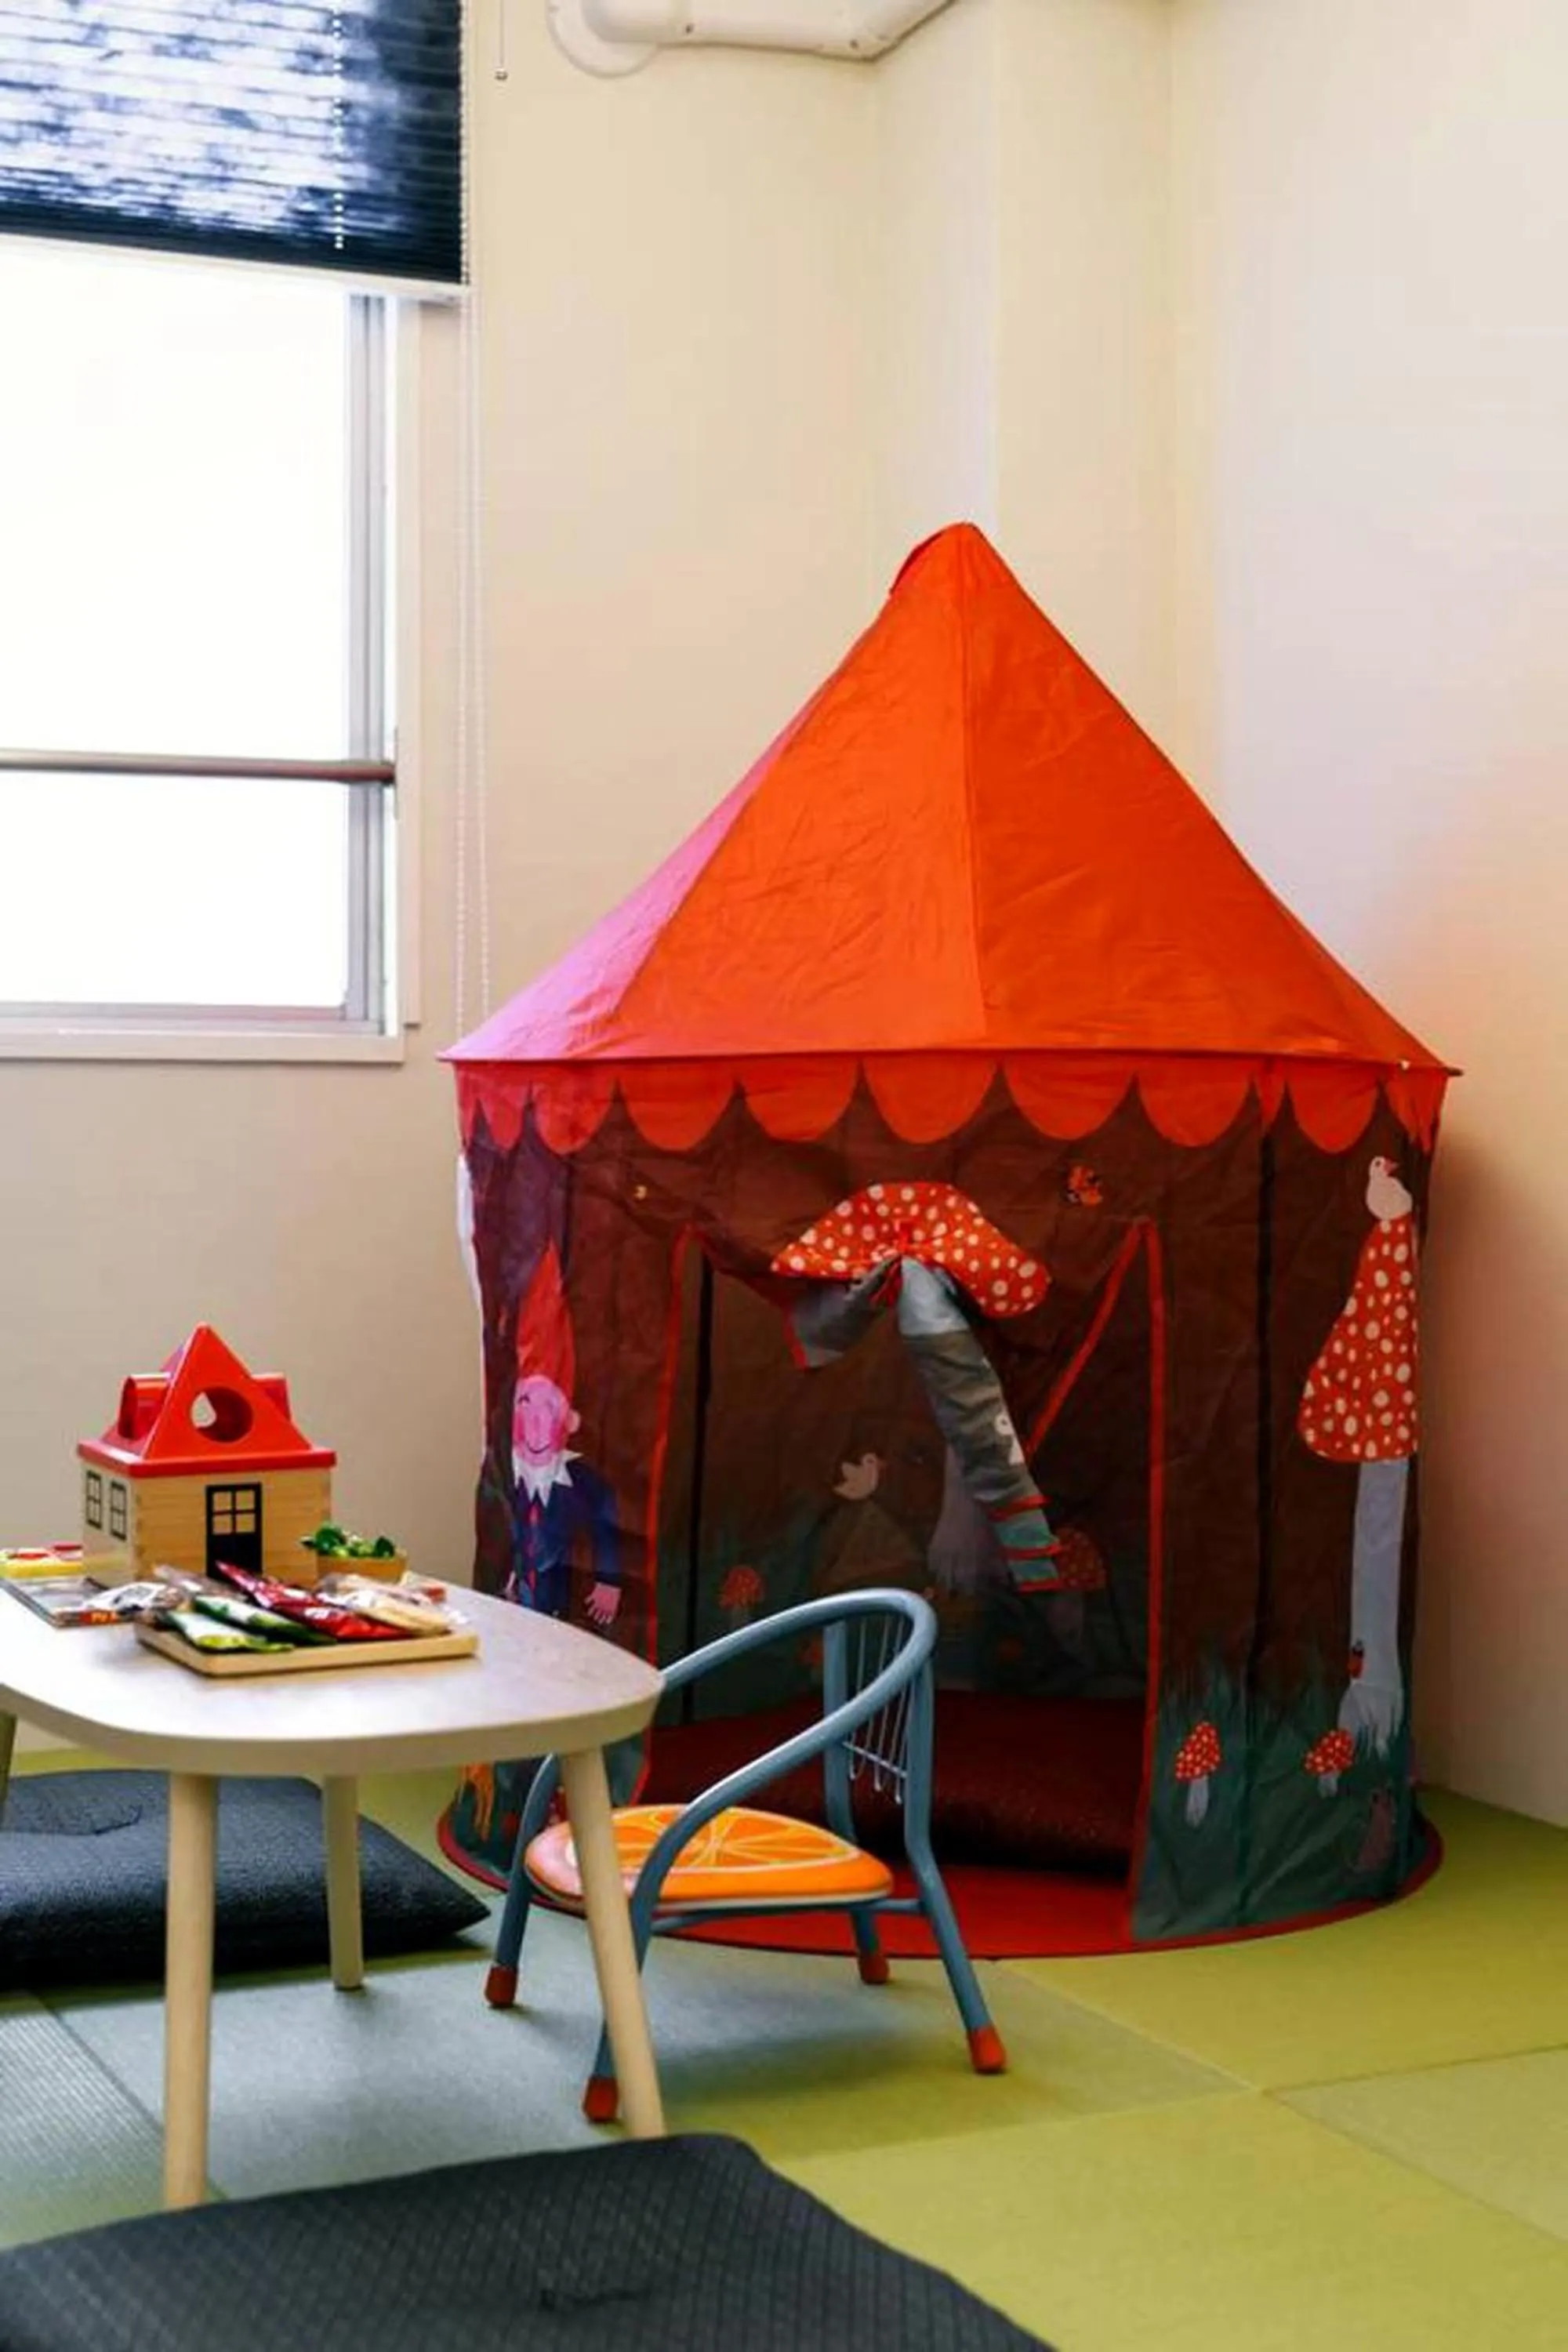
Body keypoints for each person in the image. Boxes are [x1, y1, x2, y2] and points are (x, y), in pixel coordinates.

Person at [506, 1245, 621, 1627]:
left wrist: (609, 1580)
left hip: (562, 1599)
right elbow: (517, 1530)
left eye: (548, 1410)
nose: (537, 1424)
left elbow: (606, 1519)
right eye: (526, 1406)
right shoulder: (512, 1477)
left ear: (569, 1421)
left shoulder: (583, 1482)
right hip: (524, 1593)